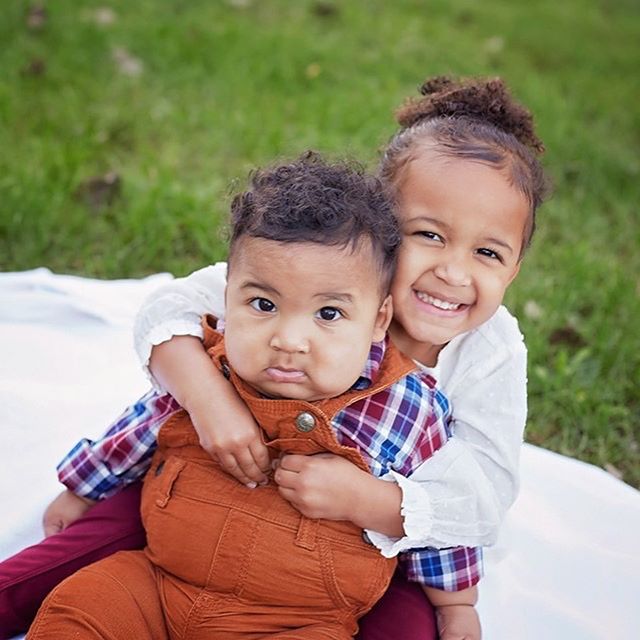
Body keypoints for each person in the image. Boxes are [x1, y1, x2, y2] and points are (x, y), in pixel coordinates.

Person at [0, 75, 549, 640]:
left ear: (513, 270)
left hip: (374, 545)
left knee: (410, 623)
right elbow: (169, 310)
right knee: (95, 550)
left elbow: (480, 493)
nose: (453, 272)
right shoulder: (315, 272)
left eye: (487, 252)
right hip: (211, 492)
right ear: (381, 229)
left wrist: (369, 501)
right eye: (428, 235)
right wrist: (211, 402)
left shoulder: (488, 353)